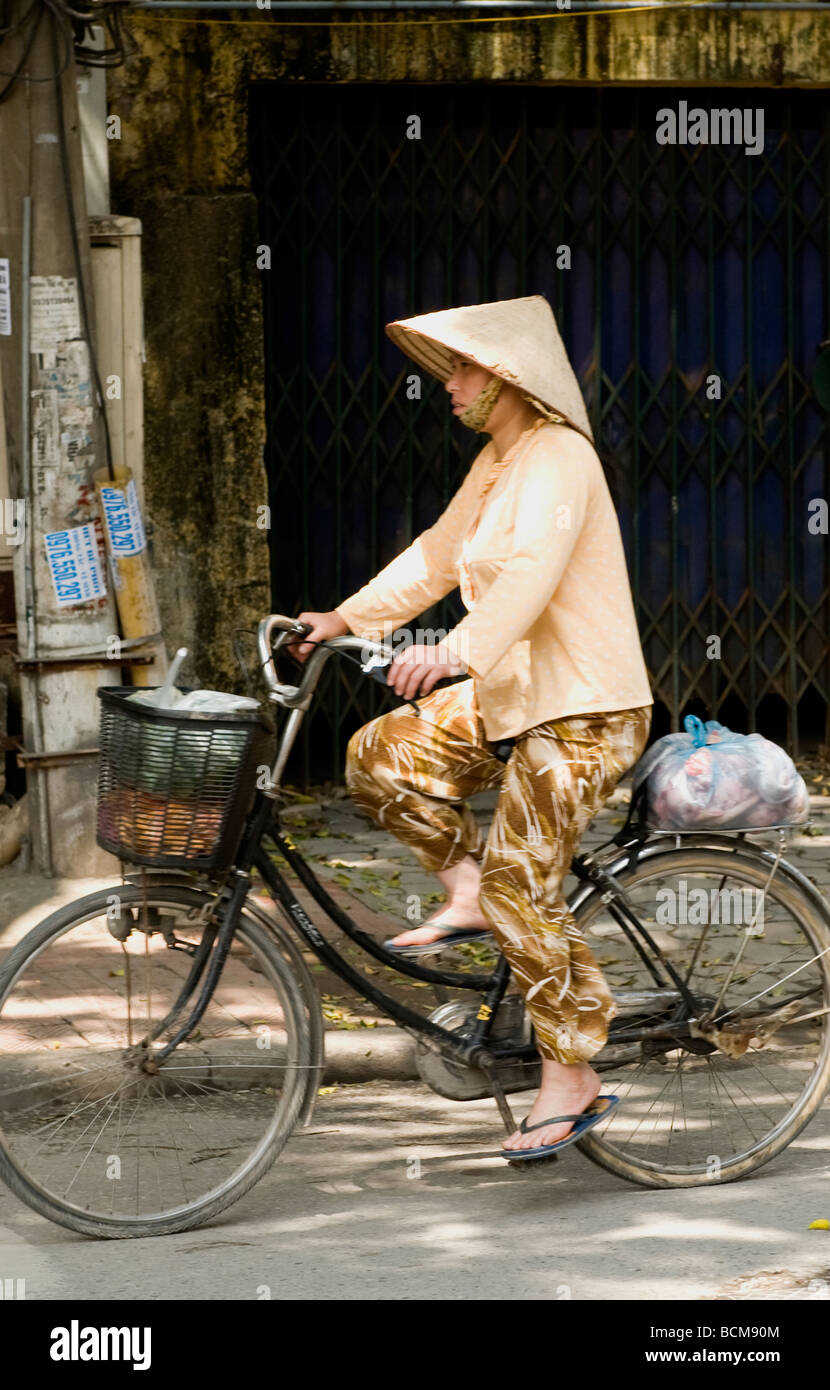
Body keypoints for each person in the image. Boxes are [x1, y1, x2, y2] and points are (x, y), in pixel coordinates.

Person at [289, 294, 653, 1157]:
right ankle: (465, 890)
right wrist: (342, 620)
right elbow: (435, 555)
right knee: (381, 754)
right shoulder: (498, 460)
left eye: (460, 370)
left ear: (509, 375)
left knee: (522, 887)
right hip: (511, 699)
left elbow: (531, 571)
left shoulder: (561, 456)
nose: (446, 387)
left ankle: (572, 1074)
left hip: (584, 707)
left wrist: (454, 651)